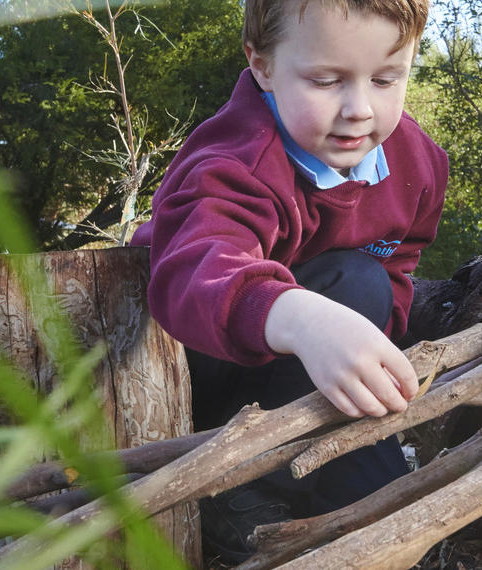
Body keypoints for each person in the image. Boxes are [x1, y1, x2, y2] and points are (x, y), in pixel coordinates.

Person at [129, 0, 444, 562]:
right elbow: (198, 268)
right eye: (325, 80)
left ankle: (304, 473)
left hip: (305, 371)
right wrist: (299, 317)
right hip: (198, 357)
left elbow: (400, 262)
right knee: (354, 282)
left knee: (390, 504)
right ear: (262, 66)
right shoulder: (235, 161)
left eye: (385, 78)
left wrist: (364, 343)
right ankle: (233, 487)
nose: (359, 109)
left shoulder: (417, 167)